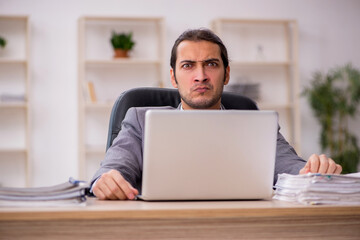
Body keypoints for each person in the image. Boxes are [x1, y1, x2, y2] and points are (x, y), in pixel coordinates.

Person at [91, 28, 342, 200]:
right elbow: (114, 168)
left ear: (227, 73)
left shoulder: (255, 125)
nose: (200, 75)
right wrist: (107, 179)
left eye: (211, 64)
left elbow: (290, 168)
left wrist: (312, 171)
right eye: (188, 66)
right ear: (173, 77)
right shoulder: (139, 119)